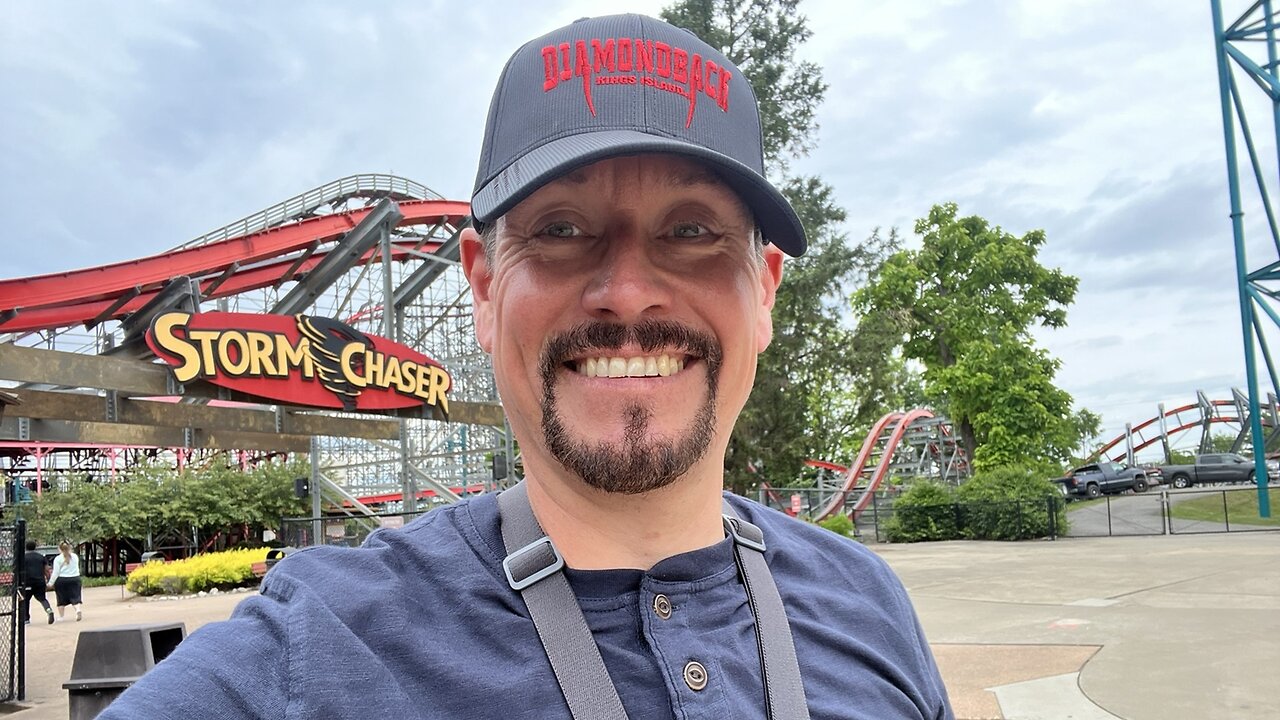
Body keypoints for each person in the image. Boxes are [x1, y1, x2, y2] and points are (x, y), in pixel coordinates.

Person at [102, 14, 953, 719]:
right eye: (561, 230)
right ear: (481, 286)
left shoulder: (868, 607)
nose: (626, 293)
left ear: (764, 293)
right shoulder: (320, 647)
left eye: (692, 231)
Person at [19, 541, 54, 625]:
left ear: (26, 547)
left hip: (27, 582)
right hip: (40, 581)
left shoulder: (23, 557)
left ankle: (26, 618)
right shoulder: (41, 557)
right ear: (35, 547)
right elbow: (46, 569)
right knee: (42, 599)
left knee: (26, 600)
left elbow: (19, 570)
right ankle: (49, 610)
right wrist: (49, 580)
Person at [50, 541, 83, 621]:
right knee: (75, 596)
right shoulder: (75, 556)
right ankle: (77, 610)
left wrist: (51, 582)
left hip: (62, 579)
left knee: (61, 598)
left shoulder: (58, 559)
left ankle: (61, 616)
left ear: (59, 549)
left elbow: (56, 572)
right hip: (75, 578)